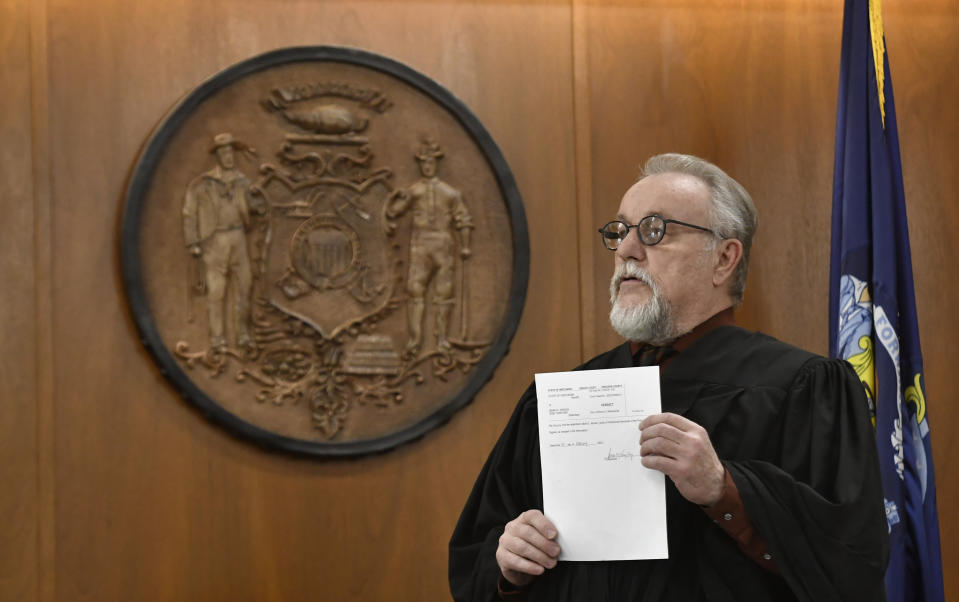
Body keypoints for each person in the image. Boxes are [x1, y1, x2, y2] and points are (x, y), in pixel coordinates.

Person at [449, 153, 888, 601]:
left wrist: (725, 490)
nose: (626, 250)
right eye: (620, 232)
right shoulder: (560, 400)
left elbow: (852, 565)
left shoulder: (804, 389)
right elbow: (476, 559)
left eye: (655, 230)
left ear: (723, 258)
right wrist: (510, 565)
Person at [387, 139, 473, 356]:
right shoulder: (414, 191)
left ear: (436, 164)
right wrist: (393, 199)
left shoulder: (451, 193)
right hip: (420, 246)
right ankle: (415, 341)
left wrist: (465, 246)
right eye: (423, 163)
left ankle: (442, 339)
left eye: (430, 162)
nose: (427, 166)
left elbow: (463, 220)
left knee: (444, 293)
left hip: (443, 244)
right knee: (415, 291)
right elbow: (395, 212)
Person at [182, 132, 258, 352]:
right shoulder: (202, 184)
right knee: (216, 291)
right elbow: (190, 213)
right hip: (214, 241)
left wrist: (258, 205)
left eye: (231, 152)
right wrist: (192, 243)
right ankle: (217, 340)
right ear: (217, 156)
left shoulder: (243, 182)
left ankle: (243, 334)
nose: (229, 157)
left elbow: (252, 207)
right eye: (224, 153)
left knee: (245, 286)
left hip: (239, 239)